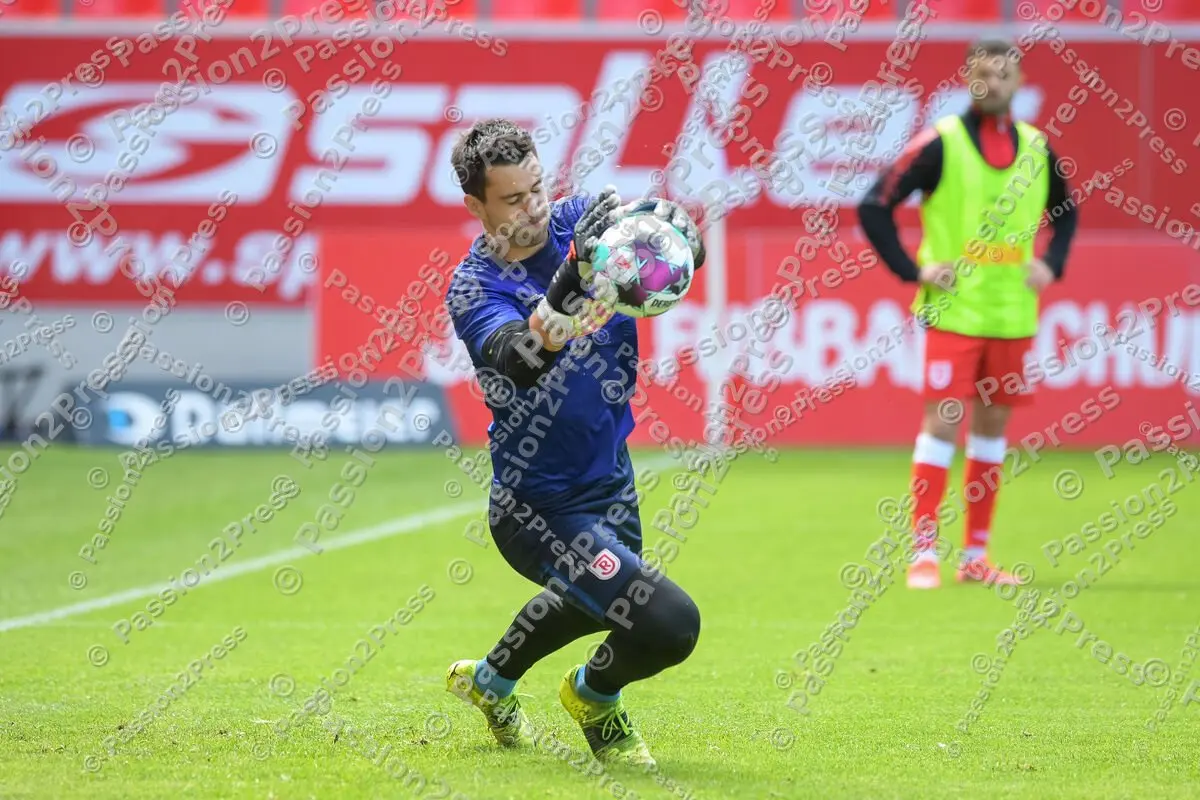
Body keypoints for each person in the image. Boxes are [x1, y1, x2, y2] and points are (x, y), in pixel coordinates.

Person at [441, 118, 706, 766]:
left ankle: (491, 680)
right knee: (670, 623)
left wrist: (679, 235)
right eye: (512, 199)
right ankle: (594, 696)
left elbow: (681, 254)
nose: (533, 208)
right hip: (539, 506)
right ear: (476, 205)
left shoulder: (582, 219)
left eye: (537, 189)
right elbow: (521, 359)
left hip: (610, 478)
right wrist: (569, 278)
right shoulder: (475, 287)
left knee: (595, 602)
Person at [858, 38, 1078, 589]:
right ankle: (924, 550)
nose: (993, 84)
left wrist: (1052, 262)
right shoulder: (941, 144)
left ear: (1019, 81)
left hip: (1010, 313)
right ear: (968, 79)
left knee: (992, 431)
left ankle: (976, 555)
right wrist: (913, 270)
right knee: (944, 421)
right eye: (982, 74)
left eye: (1003, 74)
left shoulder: (1036, 147)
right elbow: (873, 203)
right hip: (955, 309)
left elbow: (1067, 211)